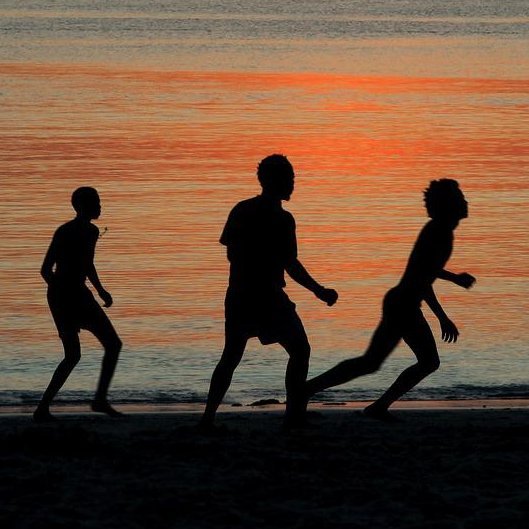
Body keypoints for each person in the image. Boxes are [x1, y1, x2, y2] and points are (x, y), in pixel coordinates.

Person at [304, 179, 475, 421]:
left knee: (409, 362)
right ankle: (308, 390)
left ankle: (373, 406)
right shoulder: (438, 232)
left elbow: (425, 272)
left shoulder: (441, 231)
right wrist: (443, 314)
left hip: (405, 303)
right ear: (449, 205)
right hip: (403, 305)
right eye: (460, 198)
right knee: (377, 362)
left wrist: (451, 284)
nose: (465, 202)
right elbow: (423, 275)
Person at [199, 154, 338, 430]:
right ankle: (293, 416)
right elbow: (291, 264)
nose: (292, 184)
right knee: (299, 350)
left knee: (232, 356)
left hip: (240, 294)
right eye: (289, 179)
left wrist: (316, 290)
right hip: (267, 296)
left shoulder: (241, 209)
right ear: (274, 181)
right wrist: (318, 291)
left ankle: (208, 418)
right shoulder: (282, 219)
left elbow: (232, 254)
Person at [34, 187, 123, 422]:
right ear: (82, 206)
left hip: (78, 294)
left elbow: (87, 264)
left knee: (111, 345)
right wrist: (63, 294)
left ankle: (99, 399)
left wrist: (101, 290)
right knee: (75, 354)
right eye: (96, 202)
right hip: (65, 296)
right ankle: (44, 408)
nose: (100, 206)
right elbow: (46, 269)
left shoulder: (91, 231)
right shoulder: (66, 231)